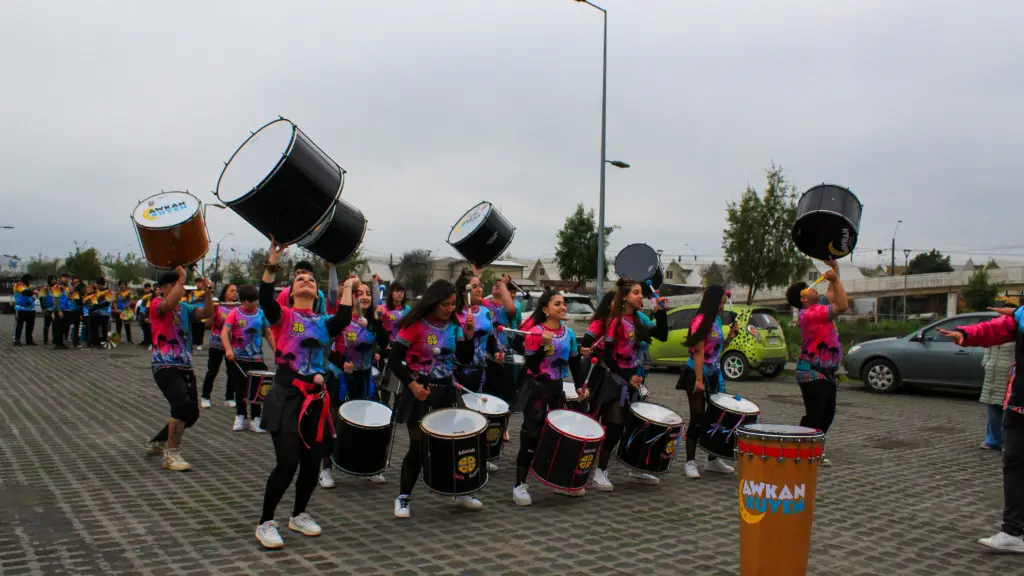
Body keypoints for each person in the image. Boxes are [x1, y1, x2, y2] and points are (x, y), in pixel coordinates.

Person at [255, 239, 353, 550]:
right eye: (300, 278)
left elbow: (344, 318)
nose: (306, 280)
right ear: (291, 290)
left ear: (317, 291)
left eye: (311, 279)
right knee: (287, 463)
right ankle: (265, 522)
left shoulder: (324, 322)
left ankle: (298, 514)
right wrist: (272, 262)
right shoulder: (282, 316)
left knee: (311, 464)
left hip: (317, 402)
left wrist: (349, 286)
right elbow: (265, 298)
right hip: (287, 397)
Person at [388, 279, 477, 518]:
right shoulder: (415, 325)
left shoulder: (454, 325)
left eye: (453, 304)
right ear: (433, 302)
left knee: (453, 443)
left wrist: (469, 336)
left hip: (446, 391)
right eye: (445, 304)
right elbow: (394, 360)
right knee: (418, 446)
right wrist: (413, 385)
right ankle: (403, 497)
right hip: (420, 391)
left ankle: (460, 490)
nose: (450, 309)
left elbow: (465, 359)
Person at [937, 307, 1024, 553]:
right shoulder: (1020, 317)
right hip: (1019, 405)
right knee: (1014, 466)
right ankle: (1012, 532)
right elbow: (995, 329)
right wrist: (966, 333)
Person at [587, 278, 668, 491]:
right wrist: (626, 375)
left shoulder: (640, 320)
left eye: (641, 293)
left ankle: (636, 467)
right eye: (636, 293)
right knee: (614, 426)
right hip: (614, 380)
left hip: (633, 380)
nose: (641, 297)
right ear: (624, 297)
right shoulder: (615, 321)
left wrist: (661, 313)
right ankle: (600, 471)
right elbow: (607, 356)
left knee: (634, 426)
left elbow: (662, 335)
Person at [512, 291, 585, 506]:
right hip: (536, 390)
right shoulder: (535, 332)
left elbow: (575, 362)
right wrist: (543, 345)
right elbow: (532, 365)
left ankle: (559, 482)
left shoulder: (569, 334)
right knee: (532, 436)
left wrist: (580, 385)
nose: (563, 307)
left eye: (564, 303)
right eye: (557, 303)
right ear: (545, 309)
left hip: (556, 389)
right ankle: (519, 485)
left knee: (558, 437)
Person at [320, 277, 388, 488]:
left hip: (365, 377)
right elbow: (326, 349)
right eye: (360, 293)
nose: (365, 297)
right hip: (340, 378)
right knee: (334, 422)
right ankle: (326, 469)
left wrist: (378, 322)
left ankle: (370, 466)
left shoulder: (373, 321)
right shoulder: (341, 321)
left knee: (369, 422)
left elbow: (385, 344)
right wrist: (341, 363)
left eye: (368, 293)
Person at [144, 268, 214, 471]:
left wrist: (208, 292)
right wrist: (181, 279)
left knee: (192, 413)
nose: (180, 289)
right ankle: (171, 455)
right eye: (175, 285)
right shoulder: (157, 304)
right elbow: (169, 303)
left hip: (185, 366)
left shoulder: (184, 308)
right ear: (163, 288)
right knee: (182, 406)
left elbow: (207, 313)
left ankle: (158, 441)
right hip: (164, 365)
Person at [784, 259, 849, 467]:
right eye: (809, 288)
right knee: (815, 415)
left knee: (827, 415)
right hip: (811, 373)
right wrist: (836, 279)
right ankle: (801, 451)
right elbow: (842, 305)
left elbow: (831, 294)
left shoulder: (817, 306)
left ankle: (813, 450)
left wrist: (834, 269)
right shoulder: (809, 314)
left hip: (825, 372)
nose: (814, 289)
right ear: (804, 298)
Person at [680, 285, 740, 479]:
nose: (722, 307)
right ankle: (690, 462)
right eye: (720, 303)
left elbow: (715, 349)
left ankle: (712, 460)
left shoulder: (716, 320)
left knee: (716, 417)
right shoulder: (699, 320)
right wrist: (699, 380)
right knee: (697, 417)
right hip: (696, 372)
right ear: (712, 301)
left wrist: (730, 338)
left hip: (714, 373)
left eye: (724, 303)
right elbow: (698, 351)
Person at [222, 284, 274, 432]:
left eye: (256, 300)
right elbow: (224, 333)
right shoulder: (234, 313)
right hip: (239, 359)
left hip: (257, 359)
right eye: (251, 301)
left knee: (257, 389)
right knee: (240, 388)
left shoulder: (261, 314)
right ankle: (241, 416)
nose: (254, 303)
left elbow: (268, 333)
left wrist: (276, 350)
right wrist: (228, 349)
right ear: (243, 301)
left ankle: (256, 418)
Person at [201, 284, 238, 409]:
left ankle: (229, 397)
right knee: (212, 371)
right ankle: (205, 397)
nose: (235, 293)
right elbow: (208, 324)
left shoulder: (238, 308)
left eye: (236, 291)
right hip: (216, 343)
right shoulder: (218, 306)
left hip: (232, 344)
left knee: (232, 372)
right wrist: (213, 311)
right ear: (225, 293)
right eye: (231, 290)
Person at [374, 280, 410, 407]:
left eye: (402, 291)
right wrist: (378, 315)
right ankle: (385, 408)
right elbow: (377, 321)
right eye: (397, 291)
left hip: (402, 349)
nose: (400, 294)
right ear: (391, 293)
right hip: (387, 348)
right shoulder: (383, 308)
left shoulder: (407, 310)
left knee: (400, 384)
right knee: (386, 383)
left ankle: (397, 410)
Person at [979, 342, 1014, 451]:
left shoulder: (1017, 336)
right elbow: (987, 350)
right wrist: (986, 363)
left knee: (1008, 412)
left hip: (1008, 376)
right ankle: (992, 440)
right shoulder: (993, 337)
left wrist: (1012, 368)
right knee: (993, 409)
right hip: (992, 377)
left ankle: (1006, 442)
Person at [12, 274, 37, 347]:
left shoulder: (29, 286)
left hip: (30, 309)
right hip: (20, 308)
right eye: (29, 280)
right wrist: (34, 292)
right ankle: (16, 340)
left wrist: (33, 296)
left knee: (30, 325)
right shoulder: (19, 285)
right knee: (19, 325)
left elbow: (31, 294)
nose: (30, 282)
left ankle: (29, 340)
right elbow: (25, 292)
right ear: (26, 280)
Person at [52, 273, 72, 350]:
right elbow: (56, 300)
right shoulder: (57, 287)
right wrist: (59, 310)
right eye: (64, 277)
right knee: (58, 327)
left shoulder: (67, 288)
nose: (66, 279)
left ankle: (62, 342)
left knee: (65, 327)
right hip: (60, 310)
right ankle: (57, 343)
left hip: (67, 309)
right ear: (60, 279)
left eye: (67, 278)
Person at [93, 278, 113, 348]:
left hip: (105, 313)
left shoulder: (107, 292)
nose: (96, 286)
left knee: (104, 327)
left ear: (101, 285)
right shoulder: (97, 291)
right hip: (98, 312)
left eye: (97, 285)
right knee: (99, 328)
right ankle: (99, 341)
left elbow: (107, 303)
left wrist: (97, 306)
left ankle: (104, 342)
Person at [113, 280, 135, 344]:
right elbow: (114, 302)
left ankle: (129, 340)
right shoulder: (116, 293)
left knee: (127, 325)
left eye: (123, 284)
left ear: (126, 285)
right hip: (118, 311)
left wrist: (126, 306)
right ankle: (117, 340)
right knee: (118, 326)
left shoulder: (129, 292)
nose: (122, 286)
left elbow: (132, 301)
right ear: (119, 286)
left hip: (126, 311)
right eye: (121, 284)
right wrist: (116, 309)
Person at [40, 276, 57, 345]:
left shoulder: (57, 288)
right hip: (47, 309)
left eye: (55, 279)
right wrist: (43, 308)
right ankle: (45, 340)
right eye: (53, 279)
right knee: (46, 325)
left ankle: (54, 339)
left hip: (54, 309)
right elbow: (41, 298)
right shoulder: (44, 288)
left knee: (55, 325)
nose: (54, 280)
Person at [189, 284, 207, 351]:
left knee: (201, 330)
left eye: (200, 284)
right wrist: (195, 298)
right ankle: (194, 342)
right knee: (194, 329)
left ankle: (199, 344)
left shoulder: (205, 292)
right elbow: (190, 301)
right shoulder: (192, 293)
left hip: (203, 313)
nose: (199, 285)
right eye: (197, 283)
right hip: (194, 312)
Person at [136, 283, 154, 347]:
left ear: (150, 288)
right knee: (144, 327)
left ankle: (149, 341)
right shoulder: (145, 295)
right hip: (142, 312)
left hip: (146, 312)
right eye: (145, 288)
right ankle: (145, 340)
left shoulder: (151, 295)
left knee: (148, 327)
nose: (146, 289)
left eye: (148, 288)